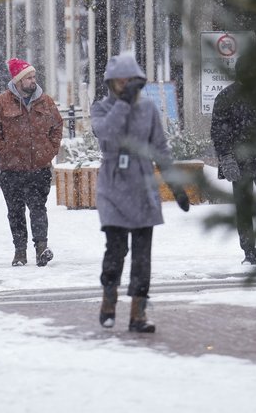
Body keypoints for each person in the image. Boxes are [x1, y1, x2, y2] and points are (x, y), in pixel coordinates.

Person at [90, 53, 189, 333]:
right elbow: (106, 133)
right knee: (116, 250)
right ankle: (109, 301)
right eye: (119, 81)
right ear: (110, 83)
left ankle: (138, 313)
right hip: (113, 188)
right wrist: (122, 104)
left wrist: (176, 186)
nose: (124, 85)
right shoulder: (101, 109)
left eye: (129, 80)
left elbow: (160, 149)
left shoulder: (148, 110)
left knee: (142, 257)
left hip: (143, 188)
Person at [0, 57, 64, 267]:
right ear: (17, 81)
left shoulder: (45, 101)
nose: (33, 81)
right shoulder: (1, 103)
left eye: (34, 76)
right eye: (28, 77)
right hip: (12, 170)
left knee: (38, 208)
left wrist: (49, 151)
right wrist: (4, 152)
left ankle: (41, 248)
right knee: (15, 211)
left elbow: (57, 126)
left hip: (39, 167)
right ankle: (20, 251)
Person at [209, 74, 256, 265]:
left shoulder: (227, 95)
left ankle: (251, 251)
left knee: (246, 208)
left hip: (244, 161)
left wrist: (226, 156)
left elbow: (218, 131)